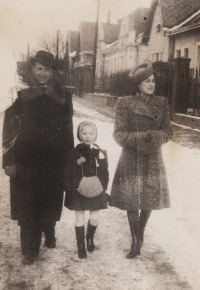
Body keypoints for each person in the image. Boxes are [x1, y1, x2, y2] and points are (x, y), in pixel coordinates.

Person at [2, 50, 74, 265]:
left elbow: (68, 131)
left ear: (53, 71)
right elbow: (9, 129)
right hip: (25, 162)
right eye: (39, 68)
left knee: (50, 204)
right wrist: (9, 160)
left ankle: (49, 230)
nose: (43, 73)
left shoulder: (64, 97)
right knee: (27, 207)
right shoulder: (19, 95)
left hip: (54, 162)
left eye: (47, 69)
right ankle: (29, 250)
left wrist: (69, 163)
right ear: (32, 69)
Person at [109, 62, 172, 259]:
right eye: (147, 81)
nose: (151, 84)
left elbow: (168, 132)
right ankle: (135, 239)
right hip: (131, 157)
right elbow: (119, 134)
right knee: (131, 199)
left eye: (153, 80)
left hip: (153, 157)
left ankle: (140, 233)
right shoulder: (124, 103)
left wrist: (153, 137)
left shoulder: (161, 103)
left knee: (148, 199)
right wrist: (140, 138)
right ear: (137, 84)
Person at [64, 121, 109, 259]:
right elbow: (67, 172)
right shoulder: (73, 153)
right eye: (84, 133)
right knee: (79, 219)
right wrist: (71, 188)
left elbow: (105, 173)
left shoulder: (100, 153)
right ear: (79, 134)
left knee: (95, 218)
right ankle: (81, 246)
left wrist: (102, 188)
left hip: (96, 190)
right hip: (78, 191)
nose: (87, 136)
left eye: (91, 133)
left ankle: (89, 238)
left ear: (95, 135)